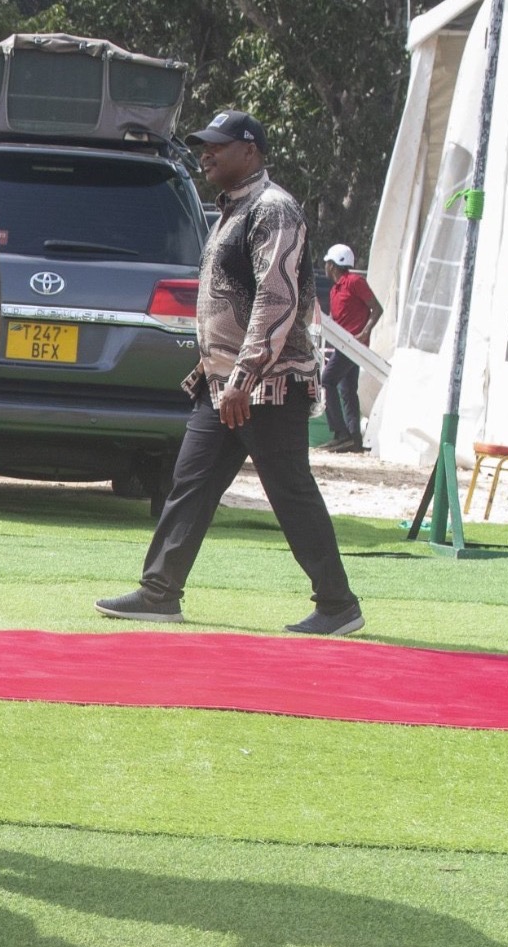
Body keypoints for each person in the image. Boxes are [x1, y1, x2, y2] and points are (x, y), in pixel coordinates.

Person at [96, 112, 361, 636]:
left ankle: (337, 604)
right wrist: (222, 373)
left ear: (251, 151)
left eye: (218, 145)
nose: (206, 153)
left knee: (289, 490)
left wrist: (245, 376)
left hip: (266, 383)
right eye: (203, 146)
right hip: (223, 383)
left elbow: (276, 297)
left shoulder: (274, 210)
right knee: (189, 484)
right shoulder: (233, 211)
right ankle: (159, 592)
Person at [320, 242, 377, 453]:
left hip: (352, 346)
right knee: (347, 390)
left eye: (327, 263)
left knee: (327, 380)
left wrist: (365, 332)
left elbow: (376, 308)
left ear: (334, 265)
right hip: (343, 345)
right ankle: (354, 439)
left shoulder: (354, 282)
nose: (325, 266)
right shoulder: (336, 289)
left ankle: (340, 433)